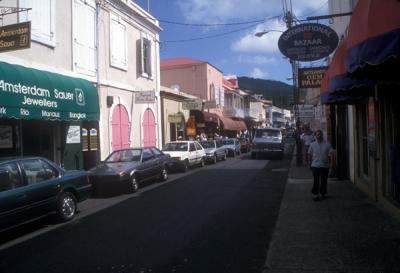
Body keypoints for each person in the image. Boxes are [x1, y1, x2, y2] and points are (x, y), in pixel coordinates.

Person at [308, 129, 333, 201]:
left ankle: (323, 193)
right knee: (316, 181)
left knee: (324, 180)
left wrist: (331, 163)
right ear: (315, 136)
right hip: (315, 165)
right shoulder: (312, 144)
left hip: (325, 165)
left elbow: (331, 153)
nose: (319, 136)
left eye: (320, 134)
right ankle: (316, 194)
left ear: (322, 135)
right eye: (317, 134)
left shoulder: (327, 144)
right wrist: (309, 164)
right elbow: (309, 154)